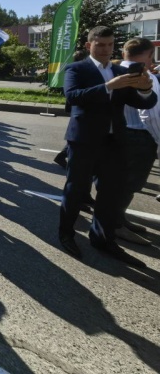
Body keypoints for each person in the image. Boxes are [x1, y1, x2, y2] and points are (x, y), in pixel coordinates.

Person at [59, 26, 156, 268]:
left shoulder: (117, 70)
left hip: (114, 142)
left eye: (110, 44)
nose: (106, 49)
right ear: (88, 45)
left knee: (111, 193)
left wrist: (145, 88)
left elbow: (140, 101)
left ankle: (103, 238)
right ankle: (66, 233)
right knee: (76, 189)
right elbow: (74, 97)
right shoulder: (77, 68)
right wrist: (109, 86)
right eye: (100, 44)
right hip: (84, 141)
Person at [117, 37, 160, 245]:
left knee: (118, 183)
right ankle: (116, 223)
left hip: (117, 133)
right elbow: (150, 115)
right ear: (149, 55)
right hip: (140, 136)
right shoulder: (145, 75)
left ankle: (118, 220)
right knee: (129, 184)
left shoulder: (113, 70)